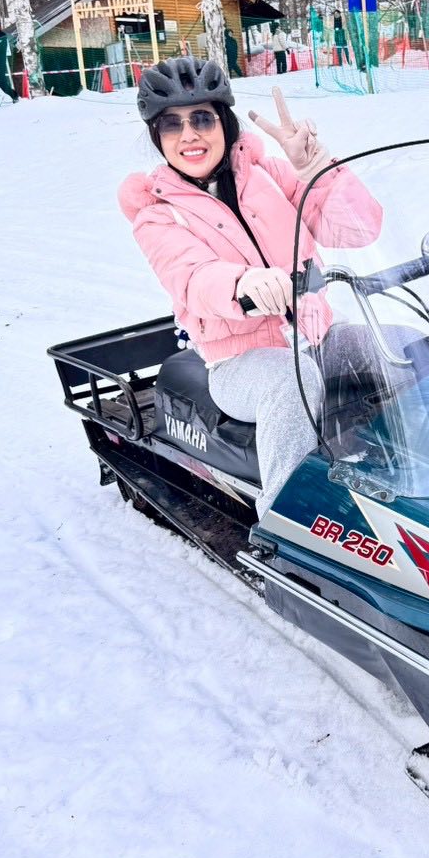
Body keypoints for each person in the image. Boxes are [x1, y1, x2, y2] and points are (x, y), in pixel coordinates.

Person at [118, 59, 384, 518]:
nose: (189, 135)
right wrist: (243, 282)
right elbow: (191, 276)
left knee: (397, 349)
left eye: (202, 118)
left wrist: (317, 169)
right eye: (171, 124)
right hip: (240, 363)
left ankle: (424, 482)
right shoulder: (157, 213)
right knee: (290, 379)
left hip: (316, 336)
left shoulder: (269, 175)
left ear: (224, 121)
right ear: (157, 136)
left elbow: (359, 229)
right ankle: (284, 520)